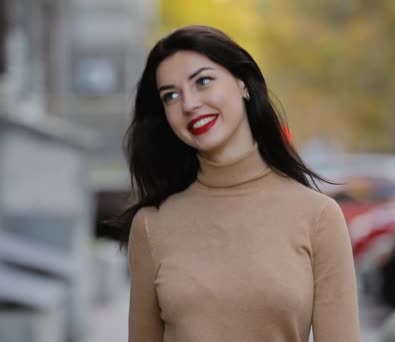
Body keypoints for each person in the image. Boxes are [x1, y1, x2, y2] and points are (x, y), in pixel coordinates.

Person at [115, 25, 360, 342]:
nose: (189, 104)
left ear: (243, 83)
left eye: (203, 81)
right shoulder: (151, 226)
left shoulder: (319, 217)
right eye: (171, 96)